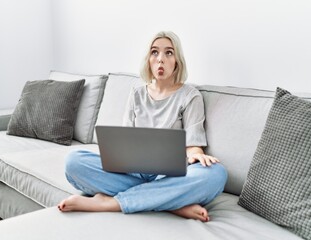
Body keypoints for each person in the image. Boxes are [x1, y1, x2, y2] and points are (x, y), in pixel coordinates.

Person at [58, 31, 227, 222]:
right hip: (133, 171)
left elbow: (193, 145)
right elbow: (124, 143)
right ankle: (171, 203)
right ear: (148, 59)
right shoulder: (136, 93)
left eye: (169, 53)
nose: (160, 59)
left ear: (177, 60)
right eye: (154, 52)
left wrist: (196, 154)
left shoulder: (190, 96)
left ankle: (111, 203)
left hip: (170, 175)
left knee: (216, 174)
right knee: (74, 161)